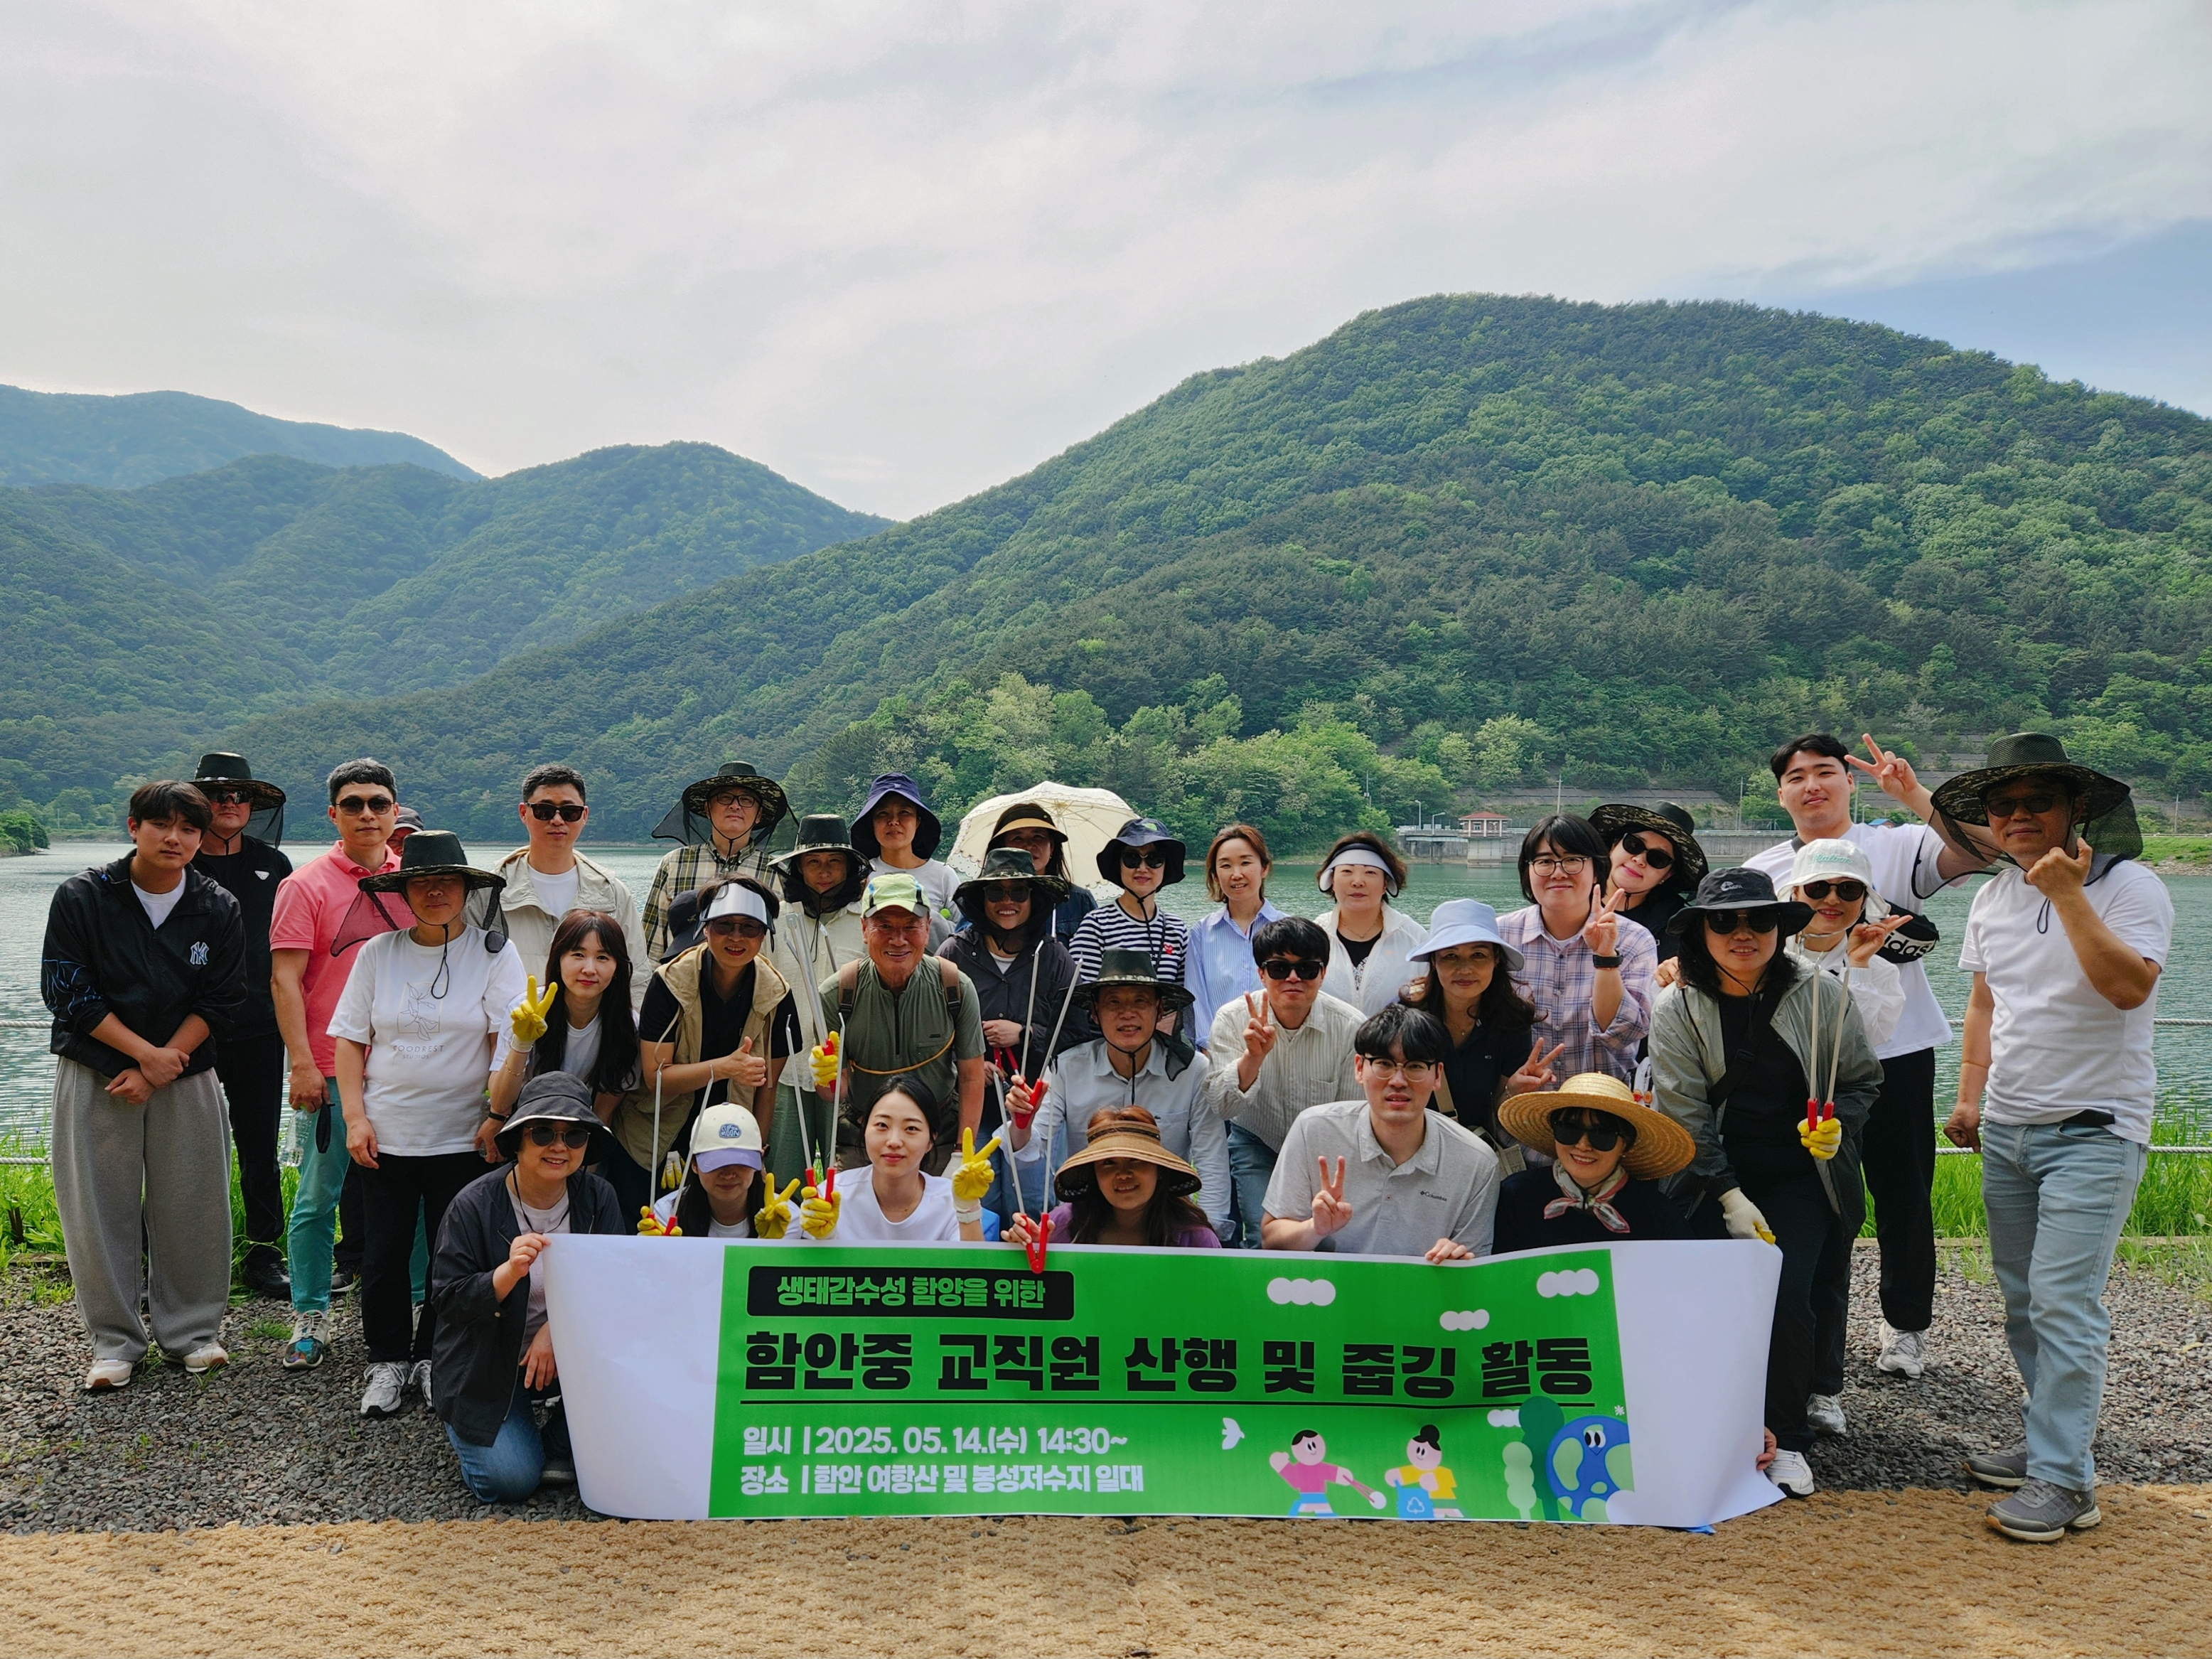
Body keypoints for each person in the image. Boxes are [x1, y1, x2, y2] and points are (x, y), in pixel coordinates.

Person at [1934, 734, 2171, 1543]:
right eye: (2003, 806)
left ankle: (2066, 1482)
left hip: (2094, 1130)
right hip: (2007, 1127)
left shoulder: (2130, 885)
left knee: (2066, 1306)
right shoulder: (1992, 898)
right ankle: (2050, 1444)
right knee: (2024, 1306)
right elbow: (1984, 1007)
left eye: (2037, 801)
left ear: (2075, 809)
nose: (2018, 815)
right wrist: (1968, 1100)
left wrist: (2069, 896)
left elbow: (2126, 988)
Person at [1745, 732, 1992, 1382]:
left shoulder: (1897, 844)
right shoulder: (1767, 868)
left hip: (1898, 1047)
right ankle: (1812, 1334)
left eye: (1825, 773)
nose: (1812, 786)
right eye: (1796, 777)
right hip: (1806, 1057)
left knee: (1903, 1189)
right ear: (1781, 793)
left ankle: (1907, 1325)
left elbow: (1980, 849)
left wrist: (1911, 793)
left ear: (1848, 782)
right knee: (1813, 1196)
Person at [1646, 867, 1881, 1500]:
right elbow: (1684, 1113)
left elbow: (1862, 1080)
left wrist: (1840, 1126)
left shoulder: (1823, 995)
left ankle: (1788, 1435)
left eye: (1759, 920)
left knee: (1786, 1292)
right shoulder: (1677, 1007)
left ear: (1780, 927)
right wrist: (1727, 1194)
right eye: (1724, 921)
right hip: (1709, 1177)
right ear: (1700, 932)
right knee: (1703, 1298)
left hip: (1804, 1173)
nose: (1742, 933)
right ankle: (1703, 1426)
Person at [44, 780, 245, 1391]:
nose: (175, 838)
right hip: (98, 1071)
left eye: (189, 829)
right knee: (98, 1207)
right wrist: (141, 1058)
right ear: (134, 827)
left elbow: (225, 997)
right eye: (162, 825)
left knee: (195, 1203)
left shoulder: (218, 906)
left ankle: (193, 1332)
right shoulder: (83, 895)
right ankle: (114, 1342)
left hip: (185, 1073)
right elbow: (67, 989)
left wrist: (166, 1061)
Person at [330, 831, 527, 1419]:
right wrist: (355, 1118)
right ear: (404, 891)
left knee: (454, 1255)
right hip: (387, 1133)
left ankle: (437, 1358)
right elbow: (349, 1041)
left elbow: (508, 1038)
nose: (436, 891)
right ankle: (386, 1360)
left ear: (468, 889)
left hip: (464, 1136)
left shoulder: (495, 953)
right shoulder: (379, 953)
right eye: (422, 882)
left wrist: (496, 1115)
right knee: (383, 1254)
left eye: (448, 881)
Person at [429, 1074, 626, 1501]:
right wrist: (507, 1274)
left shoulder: (599, 1197)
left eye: (575, 1135)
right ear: (517, 1140)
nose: (560, 1147)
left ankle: (555, 1439)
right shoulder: (472, 1205)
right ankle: (478, 1429)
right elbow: (447, 1300)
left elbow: (615, 1288)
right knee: (511, 1480)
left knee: (638, 1425)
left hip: (570, 1357)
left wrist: (554, 1329)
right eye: (543, 1133)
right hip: (487, 1363)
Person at [269, 758, 404, 1370]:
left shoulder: (417, 881)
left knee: (416, 1198)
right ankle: (310, 1314)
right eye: (354, 804)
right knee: (320, 1196)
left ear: (395, 811)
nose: (368, 814)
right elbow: (286, 981)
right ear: (334, 815)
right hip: (326, 1067)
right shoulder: (306, 885)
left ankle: (421, 1306)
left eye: (379, 803)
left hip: (406, 1069)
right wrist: (300, 1062)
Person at [1006, 948, 1230, 1240]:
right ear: (1095, 1014)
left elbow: (1210, 1157)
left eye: (1140, 1001)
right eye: (1114, 1003)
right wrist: (1021, 1124)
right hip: (1088, 1217)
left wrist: (1210, 1237)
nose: (1128, 1014)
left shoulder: (1193, 1069)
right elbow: (1032, 1148)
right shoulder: (1066, 1066)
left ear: (1160, 1011)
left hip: (1167, 1218)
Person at [1261, 1003, 1500, 1262]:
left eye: (1416, 1066)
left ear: (1438, 1075)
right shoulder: (1313, 1129)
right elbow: (1271, 1241)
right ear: (1359, 1069)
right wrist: (1314, 1229)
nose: (1398, 1081)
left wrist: (1458, 1262)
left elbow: (1476, 1273)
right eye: (1384, 1064)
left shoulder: (1477, 1162)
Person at [619, 876, 799, 1219]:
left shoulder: (777, 993)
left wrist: (756, 1150)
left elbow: (768, 1086)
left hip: (729, 1142)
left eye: (750, 928)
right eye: (724, 925)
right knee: (653, 1234)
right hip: (658, 1135)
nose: (736, 937)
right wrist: (725, 1067)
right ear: (705, 929)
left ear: (764, 935)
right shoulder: (669, 982)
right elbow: (656, 1078)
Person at [188, 752, 295, 1303]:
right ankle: (169, 1251)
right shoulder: (175, 860)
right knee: (181, 1146)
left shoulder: (274, 865)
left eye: (240, 796)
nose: (231, 804)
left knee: (259, 1143)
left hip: (259, 1025)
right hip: (187, 1030)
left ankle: (263, 1250)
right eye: (219, 794)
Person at [807, 872, 987, 1170]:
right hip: (864, 1136)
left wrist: (961, 1152)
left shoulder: (954, 987)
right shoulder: (837, 995)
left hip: (939, 1134)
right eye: (885, 926)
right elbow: (833, 1094)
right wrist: (824, 1077)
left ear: (928, 928)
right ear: (864, 929)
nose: (898, 939)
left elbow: (971, 1077)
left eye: (910, 927)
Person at [1203, 917, 1362, 1248]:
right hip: (1257, 1139)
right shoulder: (1232, 1018)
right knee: (1263, 1238)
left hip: (1324, 1148)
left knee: (1328, 1238)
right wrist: (1253, 1058)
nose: (1293, 978)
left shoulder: (1350, 1027)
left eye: (1306, 969)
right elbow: (1221, 1106)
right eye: (1278, 968)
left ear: (1323, 973)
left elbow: (1353, 1115)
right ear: (1261, 973)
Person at [940, 848, 1077, 1215]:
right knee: (976, 1204)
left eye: (1019, 893)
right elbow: (932, 1030)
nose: (1007, 902)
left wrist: (1024, 1033)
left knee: (1032, 1205)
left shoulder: (1053, 957)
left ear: (1034, 899)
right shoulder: (954, 954)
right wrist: (967, 1064)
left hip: (1034, 1110)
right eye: (995, 893)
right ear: (981, 899)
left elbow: (1075, 1034)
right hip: (973, 1107)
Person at [1400, 901, 1559, 1170]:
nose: (1465, 969)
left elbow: (1496, 1108)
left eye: (1479, 955)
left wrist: (1515, 1089)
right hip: (1411, 1153)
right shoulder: (1406, 1019)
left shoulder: (1512, 1022)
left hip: (1478, 1156)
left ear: (1496, 960)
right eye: (1450, 956)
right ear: (1433, 962)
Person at [1498, 814, 1655, 1084]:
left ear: (1597, 869)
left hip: (1603, 1111)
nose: (1558, 872)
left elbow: (1624, 1035)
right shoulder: (1500, 936)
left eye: (1572, 860)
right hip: (1520, 1108)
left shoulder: (1634, 940)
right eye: (1545, 861)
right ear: (1528, 871)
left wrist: (1606, 958)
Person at [763, 815, 868, 1191]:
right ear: (798, 868)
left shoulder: (864, 921)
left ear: (849, 867)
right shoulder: (775, 918)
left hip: (848, 1072)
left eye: (834, 862)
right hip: (786, 1066)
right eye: (813, 863)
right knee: (784, 1175)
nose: (824, 872)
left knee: (848, 1174)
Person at [495, 765, 648, 1011]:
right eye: (544, 811)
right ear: (524, 812)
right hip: (510, 1037)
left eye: (570, 812)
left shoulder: (612, 894)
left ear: (584, 815)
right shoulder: (491, 893)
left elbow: (636, 978)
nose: (557, 820)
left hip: (592, 1037)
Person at [1491, 1073, 1696, 1252]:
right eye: (1569, 1128)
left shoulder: (1659, 1216)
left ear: (1626, 1144)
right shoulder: (1515, 1197)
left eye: (1602, 1134)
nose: (1583, 1145)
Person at [774, 1083, 993, 1243]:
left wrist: (967, 1210)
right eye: (881, 1125)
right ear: (864, 1129)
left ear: (930, 1141)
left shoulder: (951, 1200)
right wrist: (824, 1239)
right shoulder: (831, 1196)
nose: (894, 1141)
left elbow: (973, 1275)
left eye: (911, 1129)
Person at [485, 909, 642, 1132]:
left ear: (617, 967)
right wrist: (521, 1044)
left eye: (602, 957)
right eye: (578, 955)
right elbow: (500, 1102)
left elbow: (602, 1114)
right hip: (529, 1129)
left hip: (583, 1134)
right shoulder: (526, 1010)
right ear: (558, 960)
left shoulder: (628, 1026)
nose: (589, 969)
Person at [1006, 1107, 1222, 1249]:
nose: (1124, 1175)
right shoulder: (1063, 1224)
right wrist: (1027, 1248)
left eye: (1136, 1160)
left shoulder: (1195, 1237)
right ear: (1094, 1174)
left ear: (1159, 1170)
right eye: (1108, 1163)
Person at [640, 762, 790, 962]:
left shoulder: (777, 871)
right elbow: (651, 941)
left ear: (759, 815)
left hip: (752, 986)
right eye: (725, 798)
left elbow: (782, 946)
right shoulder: (675, 863)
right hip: (679, 982)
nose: (735, 805)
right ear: (708, 809)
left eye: (746, 800)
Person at [1781, 840, 1907, 1054]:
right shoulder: (1764, 956)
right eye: (1817, 887)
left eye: (1848, 889)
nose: (1832, 899)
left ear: (1864, 901)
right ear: (1795, 892)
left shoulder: (1880, 972)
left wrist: (1857, 967)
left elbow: (1859, 1043)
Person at [1183, 823, 1285, 1048]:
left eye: (1246, 863)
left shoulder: (1288, 929)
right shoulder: (1202, 933)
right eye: (1226, 866)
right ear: (1216, 875)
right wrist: (1213, 1051)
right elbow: (1195, 1000)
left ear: (1264, 868)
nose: (1236, 874)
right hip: (1217, 1056)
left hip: (1278, 1053)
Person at [1311, 832, 1429, 1017]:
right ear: (1332, 881)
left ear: (1385, 884)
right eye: (1347, 872)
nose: (1358, 882)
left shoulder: (1414, 939)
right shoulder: (1313, 936)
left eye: (1370, 872)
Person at [1591, 802, 1707, 964]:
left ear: (1667, 875)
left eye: (1658, 858)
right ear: (1614, 846)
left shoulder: (1678, 927)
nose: (1639, 860)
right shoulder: (1570, 897)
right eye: (1634, 845)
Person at [640, 1100, 764, 1238]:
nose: (728, 1175)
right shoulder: (667, 1213)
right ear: (694, 1164)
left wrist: (774, 1243)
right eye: (716, 1164)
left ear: (760, 1159)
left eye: (740, 1163)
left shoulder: (785, 1216)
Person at [852, 773, 959, 923]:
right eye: (883, 813)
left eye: (904, 812)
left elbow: (966, 934)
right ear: (872, 824)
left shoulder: (943, 876)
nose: (894, 821)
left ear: (917, 822)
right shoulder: (860, 877)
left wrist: (921, 913)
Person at [985, 801, 1097, 940]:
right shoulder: (984, 898)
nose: (1028, 845)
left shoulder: (1079, 900)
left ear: (1052, 847)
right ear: (1002, 848)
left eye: (1038, 837)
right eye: (1017, 838)